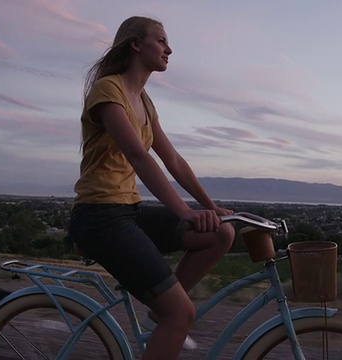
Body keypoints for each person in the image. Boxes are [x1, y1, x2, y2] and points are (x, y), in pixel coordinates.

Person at [67, 16, 235, 359]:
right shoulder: (108, 89)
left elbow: (173, 161)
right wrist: (185, 212)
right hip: (99, 217)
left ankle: (161, 310)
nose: (169, 48)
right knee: (182, 314)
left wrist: (210, 207)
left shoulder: (145, 102)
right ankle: (171, 312)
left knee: (223, 232)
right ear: (136, 44)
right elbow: (139, 157)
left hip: (128, 213)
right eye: (161, 40)